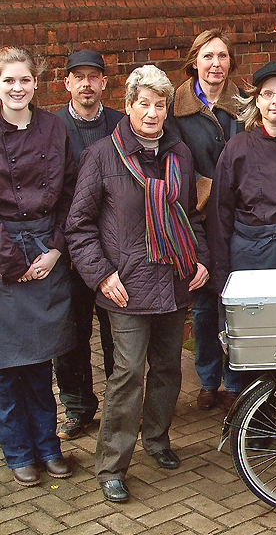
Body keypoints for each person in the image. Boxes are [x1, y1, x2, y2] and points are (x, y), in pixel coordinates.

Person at [66, 65, 210, 503]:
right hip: (125, 287)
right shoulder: (103, 156)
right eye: (143, 103)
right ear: (128, 106)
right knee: (127, 374)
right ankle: (112, 465)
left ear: (168, 109)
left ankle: (157, 438)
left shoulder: (179, 154)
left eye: (159, 104)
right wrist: (101, 274)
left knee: (167, 368)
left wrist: (201, 258)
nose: (151, 113)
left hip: (174, 280)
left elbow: (189, 214)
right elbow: (78, 226)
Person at [0, 46, 76, 487]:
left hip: (46, 249)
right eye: (8, 80)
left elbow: (69, 193)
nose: (17, 88)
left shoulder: (53, 127)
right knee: (7, 366)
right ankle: (18, 451)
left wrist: (55, 249)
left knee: (40, 363)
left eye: (24, 80)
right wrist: (13, 263)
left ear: (36, 82)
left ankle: (48, 446)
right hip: (5, 254)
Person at [169, 29, 243, 411]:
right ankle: (208, 378)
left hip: (238, 213)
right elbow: (172, 157)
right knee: (202, 304)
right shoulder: (175, 107)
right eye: (208, 56)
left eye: (222, 56)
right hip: (195, 214)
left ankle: (235, 380)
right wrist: (202, 188)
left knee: (234, 301)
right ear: (194, 60)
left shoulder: (244, 103)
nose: (216, 64)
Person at [54, 49, 123, 441]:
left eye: (93, 76)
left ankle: (119, 407)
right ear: (66, 82)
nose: (86, 84)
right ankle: (77, 407)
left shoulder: (120, 124)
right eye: (78, 77)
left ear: (103, 82)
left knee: (118, 335)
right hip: (70, 249)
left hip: (114, 248)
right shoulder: (54, 128)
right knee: (71, 335)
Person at [208, 62, 276, 295]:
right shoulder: (237, 148)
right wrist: (220, 275)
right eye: (267, 94)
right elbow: (220, 214)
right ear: (257, 101)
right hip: (250, 257)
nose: (275, 101)